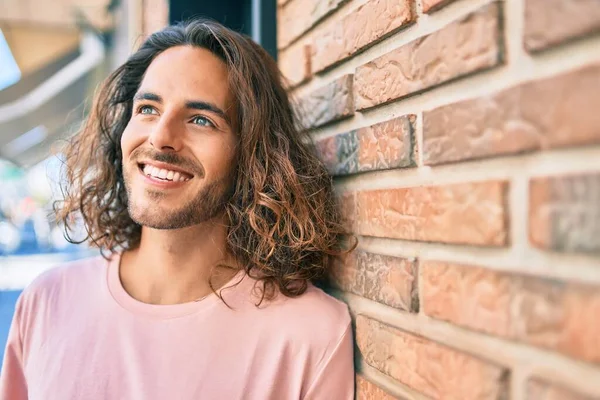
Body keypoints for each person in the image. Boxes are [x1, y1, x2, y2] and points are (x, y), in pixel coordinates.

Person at [0, 19, 355, 400]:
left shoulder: (311, 336)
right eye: (148, 109)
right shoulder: (45, 302)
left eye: (201, 119)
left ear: (253, 154)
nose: (161, 137)